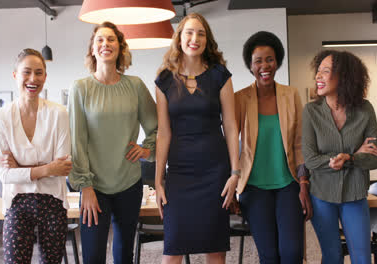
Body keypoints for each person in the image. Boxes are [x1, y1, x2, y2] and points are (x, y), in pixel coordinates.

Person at [68, 22, 157, 264]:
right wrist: (84, 187)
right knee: (93, 255)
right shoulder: (80, 88)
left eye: (111, 39)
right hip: (93, 186)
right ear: (93, 49)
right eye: (100, 40)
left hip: (129, 182)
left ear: (120, 48)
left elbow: (157, 126)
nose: (105, 44)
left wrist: (146, 148)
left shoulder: (135, 85)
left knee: (124, 254)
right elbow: (77, 140)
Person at [154, 13, 240, 264]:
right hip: (180, 174)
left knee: (214, 249)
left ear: (207, 40)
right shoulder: (164, 80)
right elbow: (163, 133)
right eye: (189, 32)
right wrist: (158, 181)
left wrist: (235, 173)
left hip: (215, 172)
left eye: (201, 33)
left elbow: (231, 126)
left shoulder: (220, 76)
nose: (195, 38)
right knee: (172, 249)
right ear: (179, 38)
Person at [234, 31, 312, 263]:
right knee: (269, 255)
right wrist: (232, 182)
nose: (264, 65)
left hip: (288, 184)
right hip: (254, 188)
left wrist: (304, 184)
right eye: (258, 60)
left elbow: (300, 143)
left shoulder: (291, 94)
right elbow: (229, 143)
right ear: (250, 65)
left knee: (292, 253)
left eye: (269, 59)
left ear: (277, 61)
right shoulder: (240, 98)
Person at [0, 48, 72, 264]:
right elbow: (4, 175)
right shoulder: (0, 118)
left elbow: (62, 167)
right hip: (17, 202)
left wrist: (20, 168)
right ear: (15, 75)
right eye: (26, 72)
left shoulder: (59, 114)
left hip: (53, 201)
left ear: (45, 77)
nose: (33, 79)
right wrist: (46, 169)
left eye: (39, 72)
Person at [302, 50, 377, 264]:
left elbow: (375, 158)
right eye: (317, 71)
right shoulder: (311, 111)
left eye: (325, 72)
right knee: (332, 257)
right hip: (321, 197)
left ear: (344, 76)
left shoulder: (365, 110)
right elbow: (310, 159)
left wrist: (350, 158)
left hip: (355, 195)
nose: (318, 77)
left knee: (362, 258)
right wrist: (352, 155)